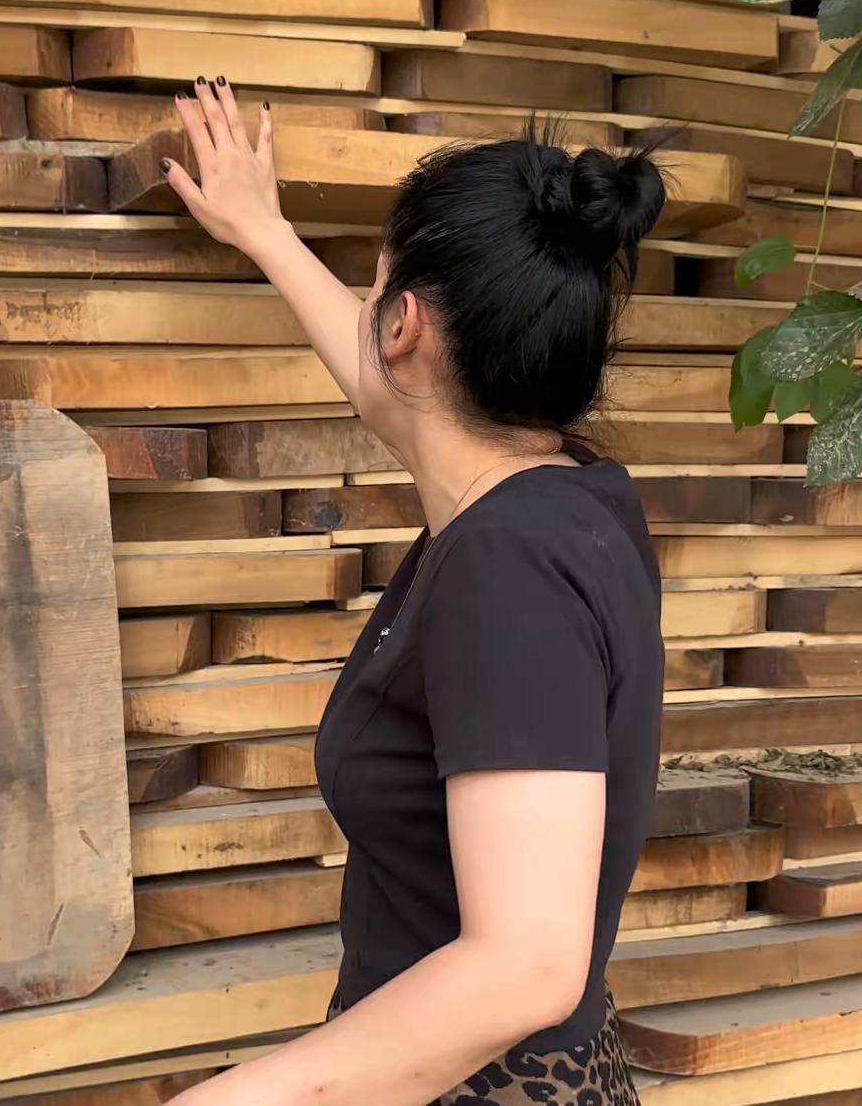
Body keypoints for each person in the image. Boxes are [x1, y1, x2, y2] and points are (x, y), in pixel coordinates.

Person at [158, 78, 665, 1106]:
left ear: (402, 326)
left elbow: (524, 964)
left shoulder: (507, 564)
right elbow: (383, 383)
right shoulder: (566, 498)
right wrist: (263, 231)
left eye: (375, 288)